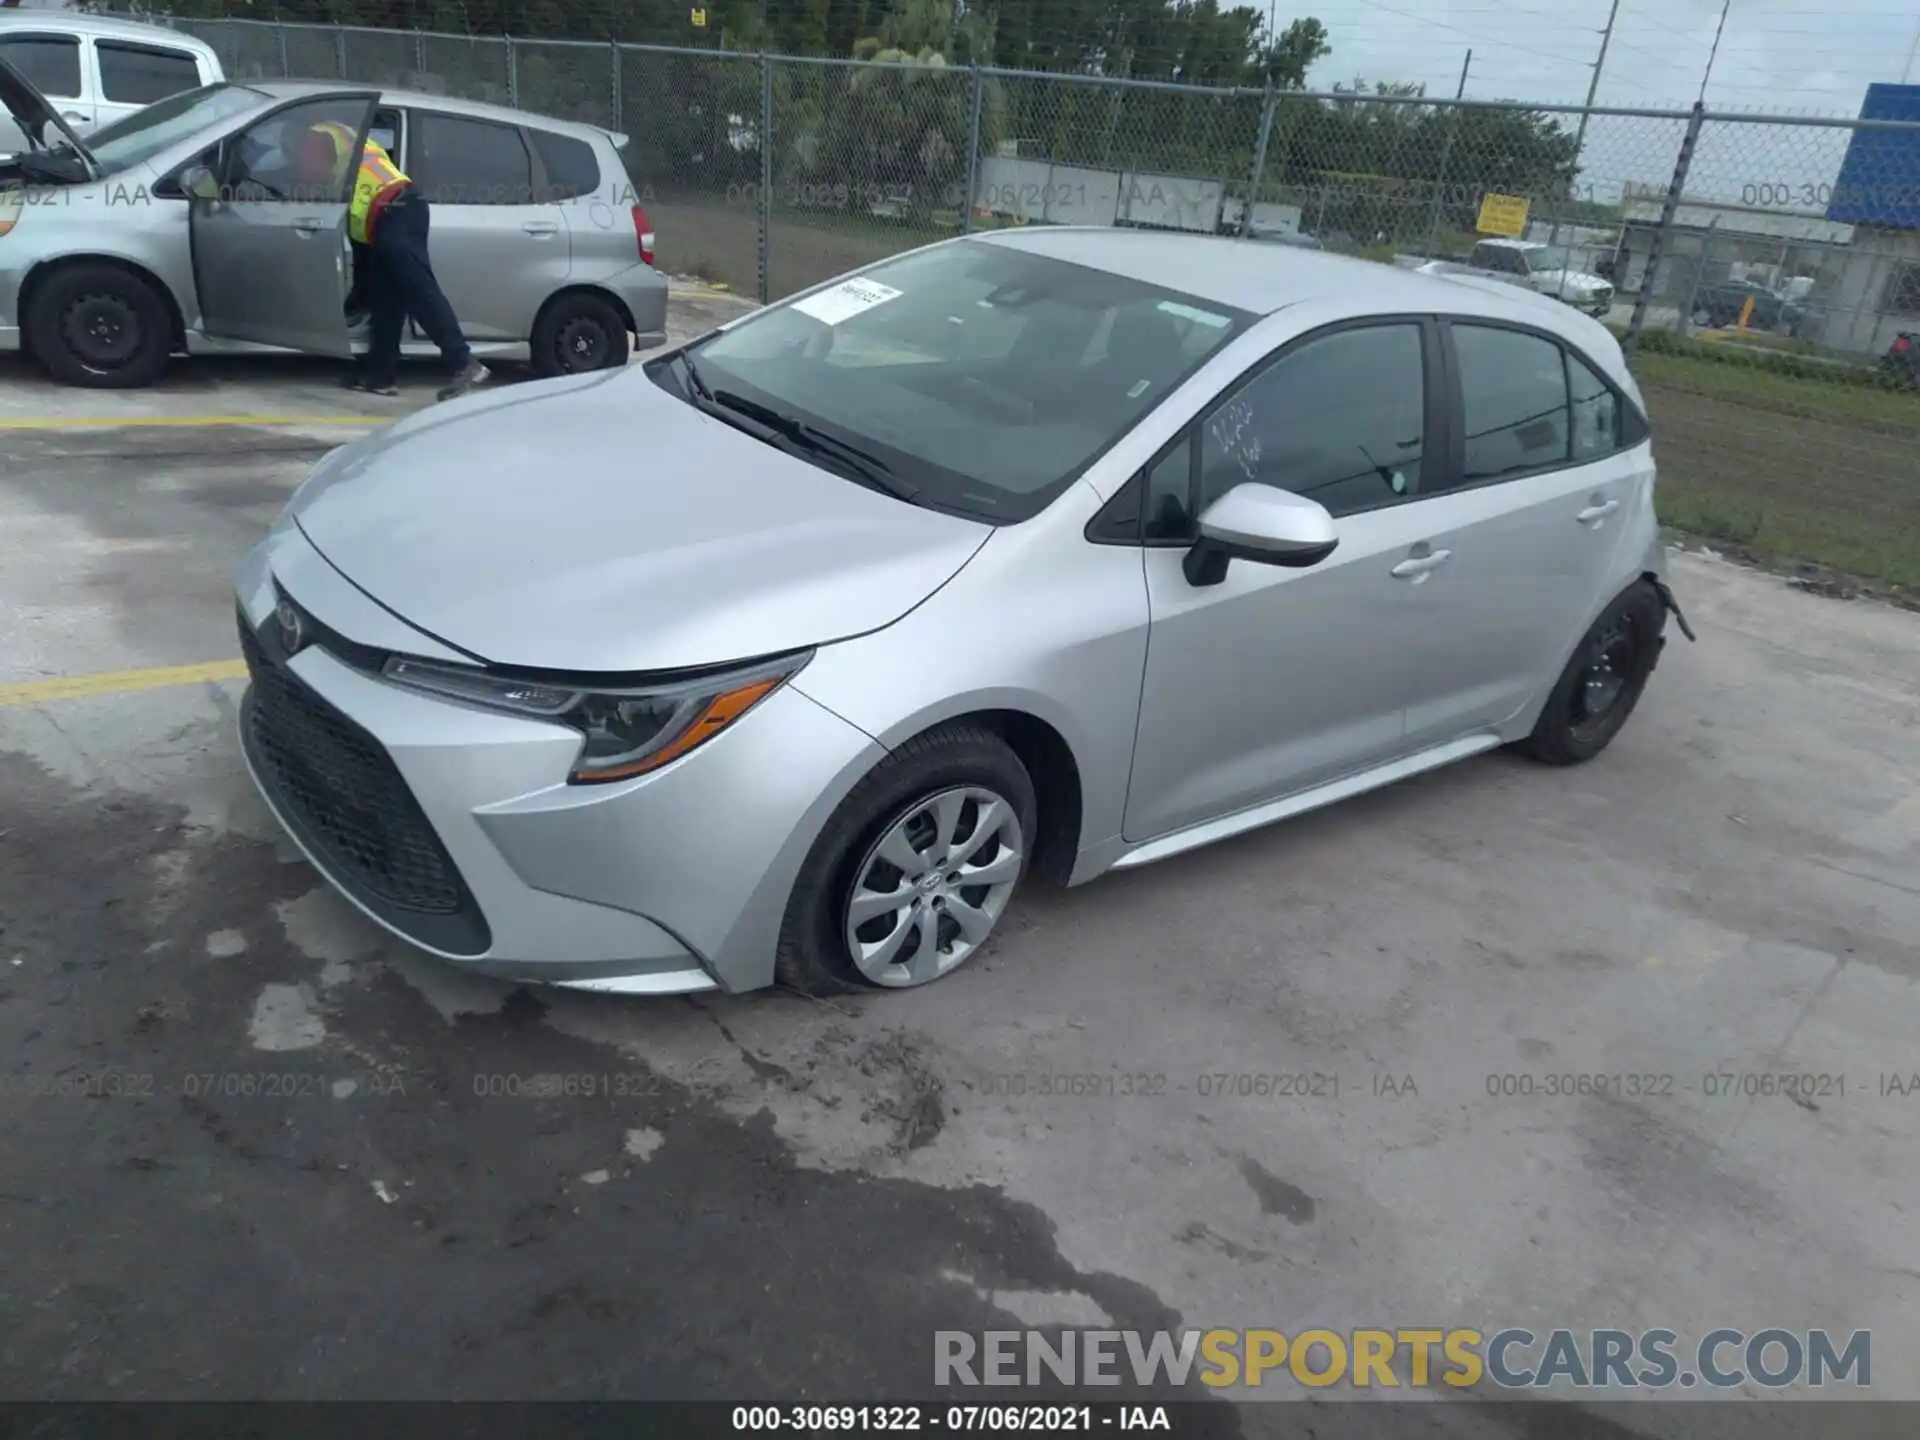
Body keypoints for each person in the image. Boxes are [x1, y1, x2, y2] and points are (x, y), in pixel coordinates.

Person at [295, 119, 488, 401]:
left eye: (306, 154)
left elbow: (314, 170)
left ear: (325, 150)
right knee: (385, 299)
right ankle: (380, 376)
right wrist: (357, 295)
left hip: (397, 210)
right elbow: (360, 245)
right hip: (384, 219)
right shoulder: (348, 152)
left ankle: (463, 362)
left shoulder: (342, 160)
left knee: (418, 288)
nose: (302, 161)